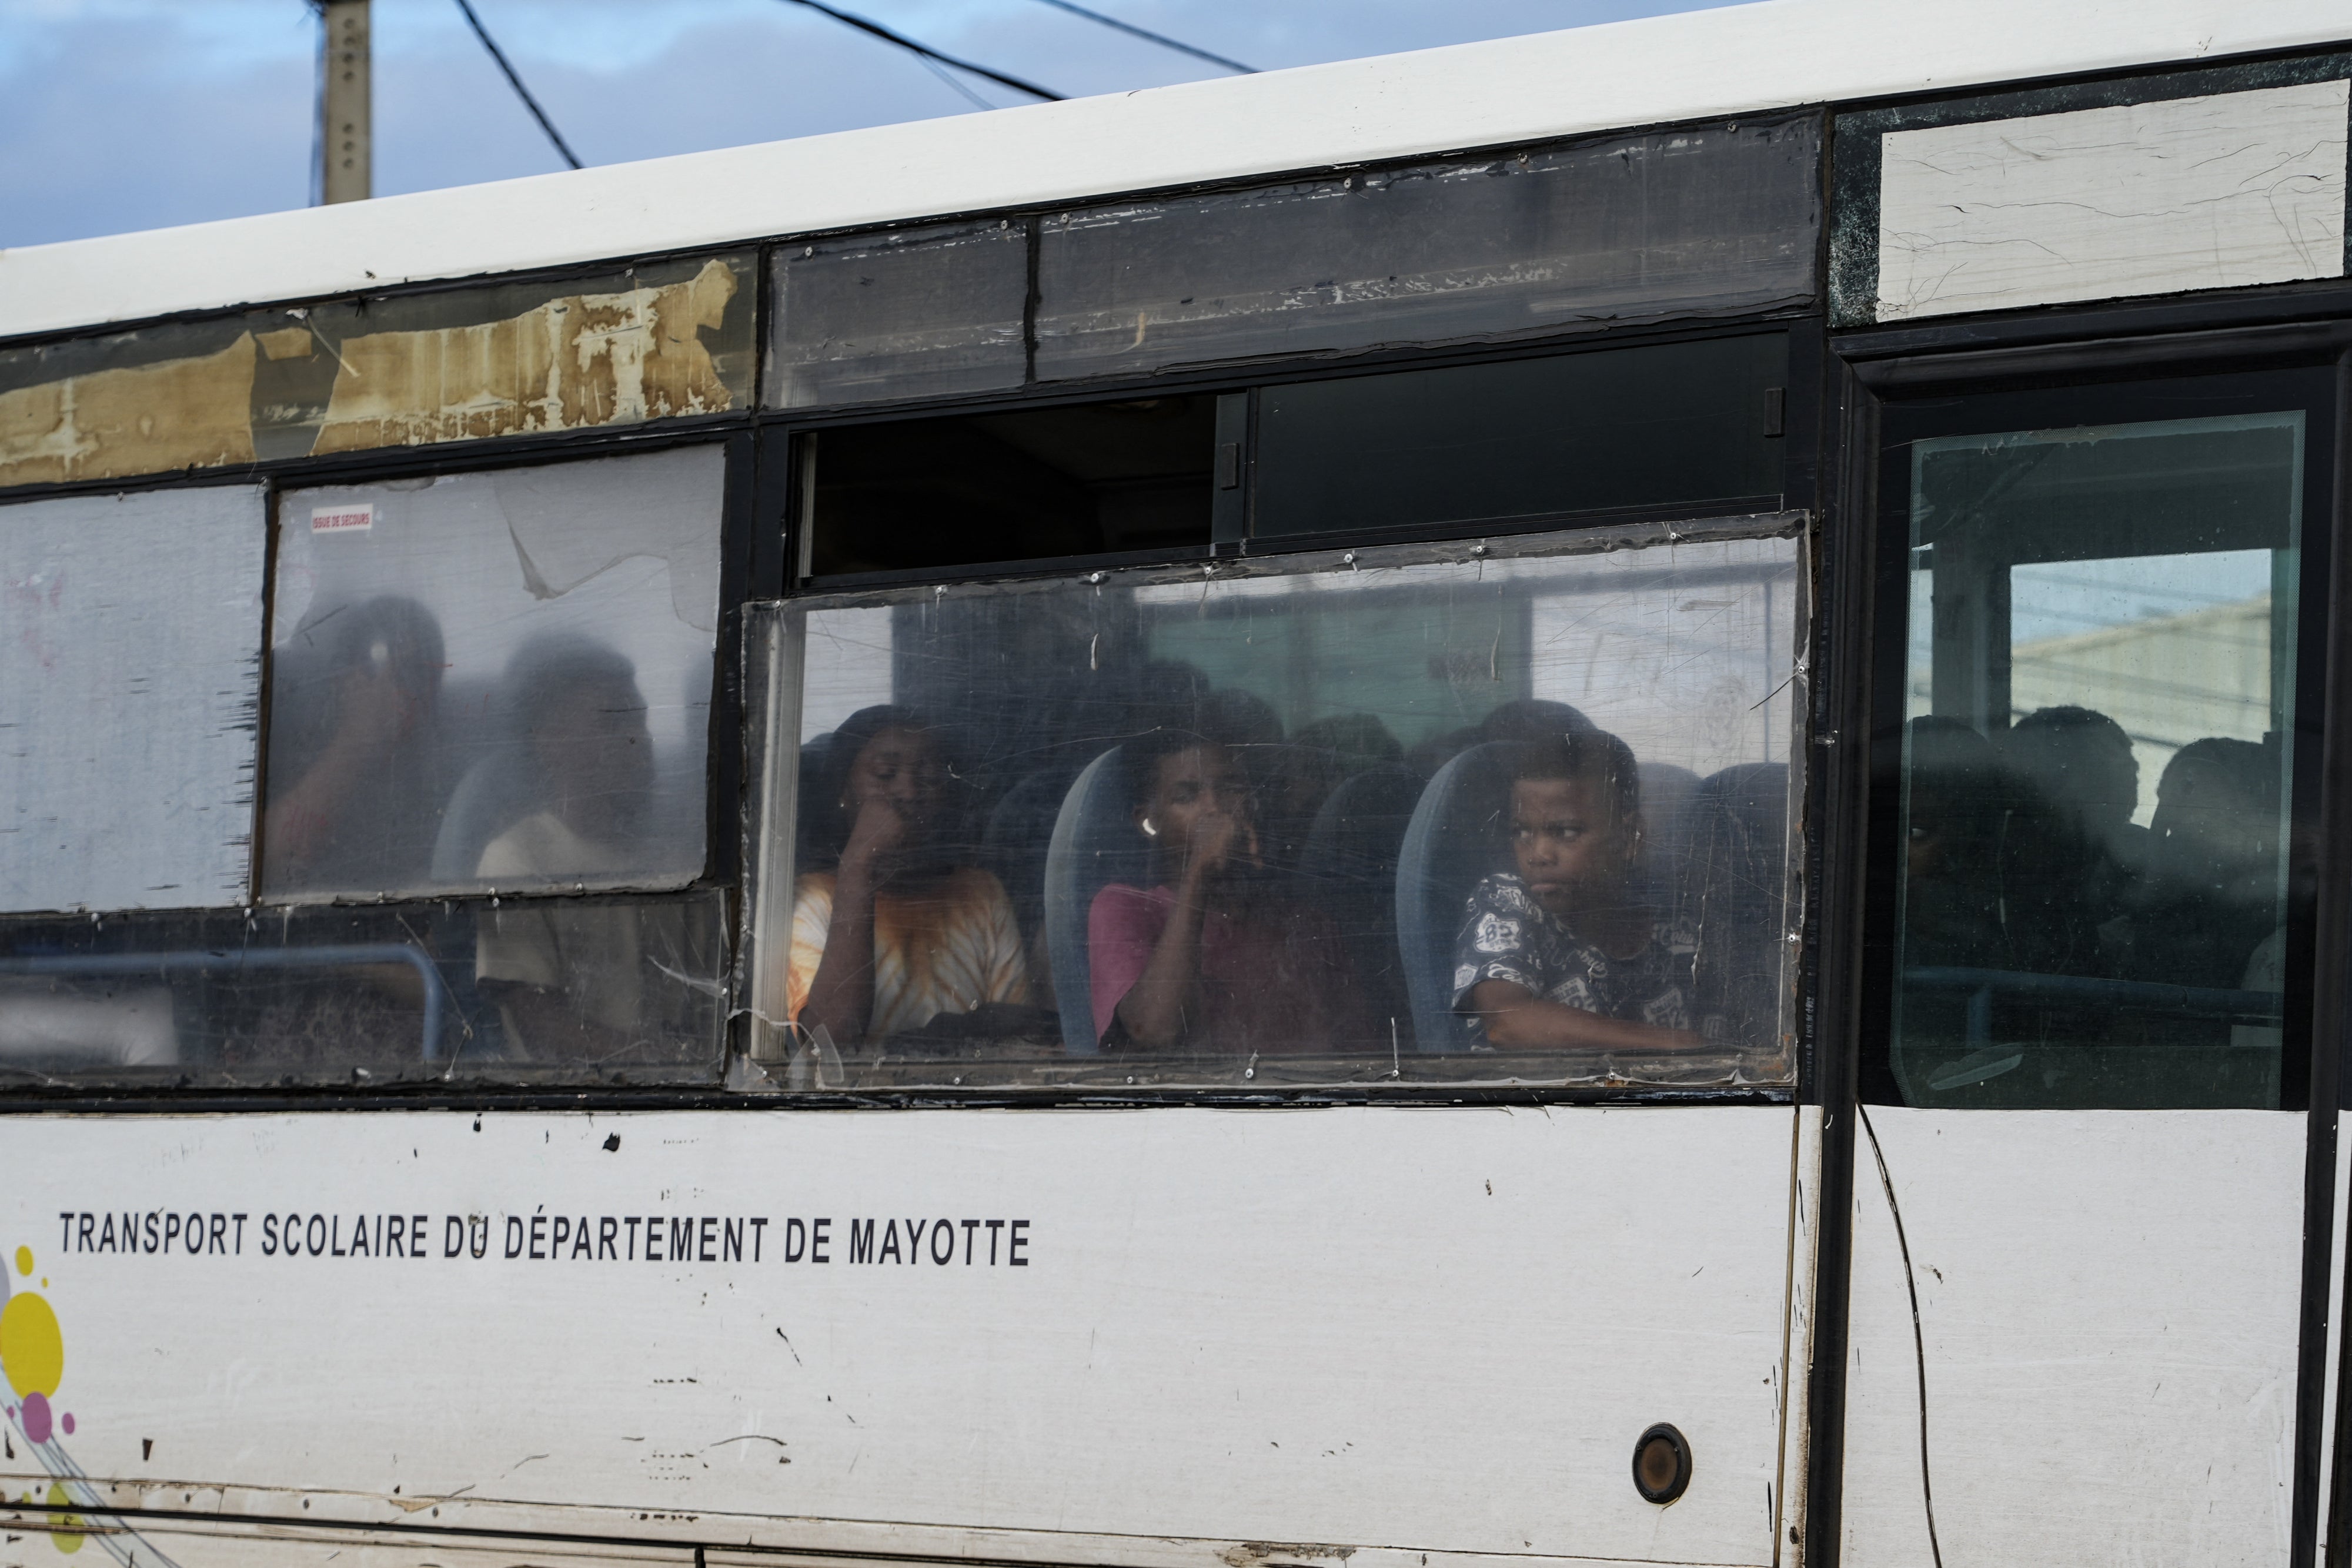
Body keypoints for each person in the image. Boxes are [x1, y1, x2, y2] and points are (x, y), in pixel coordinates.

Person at [473, 636, 697, 1059]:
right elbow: (538, 1019)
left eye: (641, 722)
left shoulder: (676, 861)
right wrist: (651, 1059)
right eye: (613, 723)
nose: (640, 740)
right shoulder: (518, 858)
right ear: (552, 741)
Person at [1088, 728, 1365, 1054]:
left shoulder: (1306, 925)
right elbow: (1153, 1032)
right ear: (1149, 821)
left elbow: (1364, 1055)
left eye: (1232, 789)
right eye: (1187, 796)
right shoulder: (1126, 908)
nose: (1214, 808)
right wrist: (1200, 871)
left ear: (1254, 802)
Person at [785, 706, 1028, 1045]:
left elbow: (1017, 1037)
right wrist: (858, 866)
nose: (910, 793)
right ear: (843, 793)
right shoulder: (814, 898)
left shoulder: (980, 893)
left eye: (928, 779)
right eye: (886, 774)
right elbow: (828, 1043)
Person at [1452, 728, 1703, 1052]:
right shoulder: (1506, 899)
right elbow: (1508, 1022)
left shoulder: (1676, 919)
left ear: (1629, 839)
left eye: (1566, 832)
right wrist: (1684, 1047)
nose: (1538, 854)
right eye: (1522, 832)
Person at [262, 596, 447, 894]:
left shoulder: (442, 776)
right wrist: (357, 740)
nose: (400, 692)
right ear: (343, 679)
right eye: (382, 669)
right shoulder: (279, 747)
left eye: (414, 675)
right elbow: (269, 862)